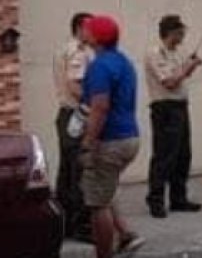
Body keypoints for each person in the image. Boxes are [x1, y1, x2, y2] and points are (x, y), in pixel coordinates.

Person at [78, 14, 145, 257]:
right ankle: (126, 235)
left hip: (110, 141)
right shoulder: (123, 61)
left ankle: (104, 254)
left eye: (88, 29)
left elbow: (100, 107)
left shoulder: (100, 66)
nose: (84, 31)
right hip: (130, 137)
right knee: (107, 189)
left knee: (98, 204)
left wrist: (88, 142)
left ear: (96, 37)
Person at [144, 14, 202, 218]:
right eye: (180, 33)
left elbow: (181, 76)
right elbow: (169, 82)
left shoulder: (178, 52)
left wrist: (189, 65)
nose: (183, 37)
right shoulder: (155, 53)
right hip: (165, 108)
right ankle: (156, 200)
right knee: (164, 156)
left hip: (180, 106)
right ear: (170, 33)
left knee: (182, 155)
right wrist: (189, 67)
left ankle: (179, 198)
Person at [54, 11, 94, 241]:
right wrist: (93, 106)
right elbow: (75, 85)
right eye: (91, 27)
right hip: (76, 114)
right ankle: (81, 226)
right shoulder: (77, 51)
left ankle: (66, 223)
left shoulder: (64, 49)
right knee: (79, 171)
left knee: (67, 172)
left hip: (66, 115)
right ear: (80, 28)